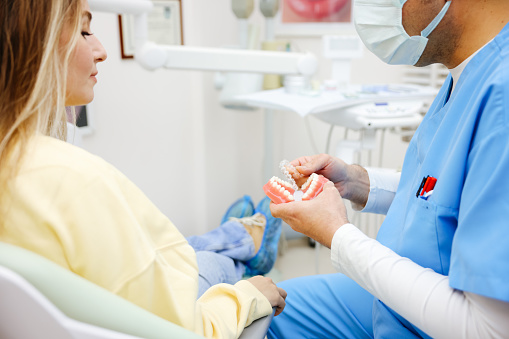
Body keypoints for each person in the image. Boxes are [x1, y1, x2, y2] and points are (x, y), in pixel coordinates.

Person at [0, 0, 286, 338]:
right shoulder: (71, 178)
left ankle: (239, 233)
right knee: (214, 263)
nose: (101, 50)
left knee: (189, 245)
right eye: (84, 30)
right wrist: (249, 294)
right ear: (36, 44)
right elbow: (186, 329)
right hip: (151, 311)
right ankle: (246, 248)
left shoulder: (23, 166)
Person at [267, 0, 509, 338]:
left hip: (447, 317)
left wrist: (338, 235)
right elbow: (444, 193)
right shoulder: (466, 71)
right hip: (405, 293)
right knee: (261, 313)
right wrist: (356, 182)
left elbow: (489, 330)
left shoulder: (501, 98)